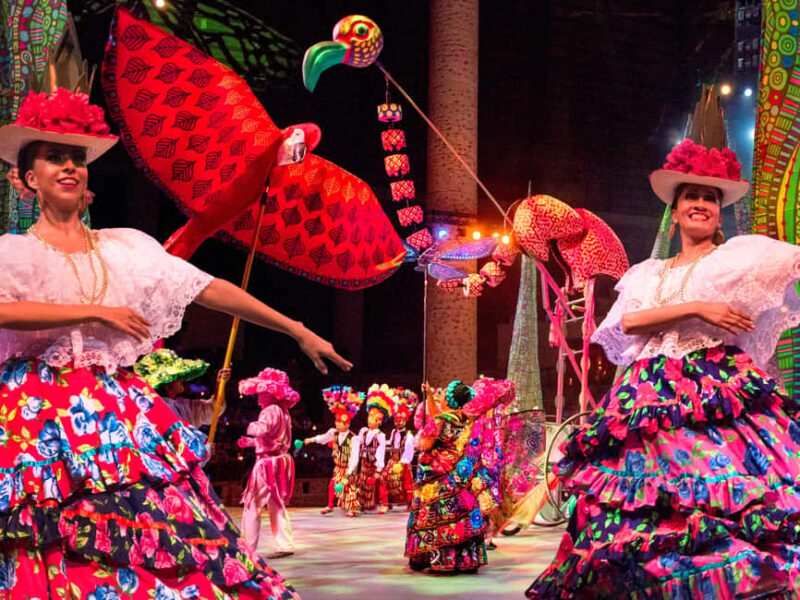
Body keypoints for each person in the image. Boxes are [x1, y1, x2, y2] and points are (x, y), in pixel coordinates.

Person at [0, 87, 351, 598]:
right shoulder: (13, 252)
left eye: (77, 158)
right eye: (55, 157)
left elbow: (209, 287)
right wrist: (94, 311)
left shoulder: (125, 247)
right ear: (30, 178)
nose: (70, 167)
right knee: (46, 529)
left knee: (157, 529)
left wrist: (295, 328)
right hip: (39, 417)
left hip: (115, 411)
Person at [527, 90, 800, 599]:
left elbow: (794, 260)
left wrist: (707, 310)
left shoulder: (736, 258)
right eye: (691, 196)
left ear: (718, 214)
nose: (700, 204)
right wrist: (698, 308)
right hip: (646, 395)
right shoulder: (647, 272)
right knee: (639, 503)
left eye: (710, 199)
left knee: (712, 494)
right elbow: (629, 322)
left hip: (712, 387)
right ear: (674, 213)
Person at [405, 379, 510, 574]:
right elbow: (441, 420)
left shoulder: (440, 422)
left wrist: (423, 442)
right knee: (461, 518)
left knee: (436, 518)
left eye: (444, 395)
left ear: (449, 400)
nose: (441, 398)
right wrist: (429, 396)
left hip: (438, 479)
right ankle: (465, 560)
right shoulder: (467, 421)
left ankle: (440, 560)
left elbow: (425, 443)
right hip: (460, 478)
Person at [237, 368, 299, 559]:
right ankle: (285, 543)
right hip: (280, 461)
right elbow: (274, 439)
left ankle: (247, 545)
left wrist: (250, 427)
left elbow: (261, 429)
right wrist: (251, 443)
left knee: (253, 503)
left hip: (268, 464)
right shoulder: (283, 411)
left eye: (261, 393)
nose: (258, 398)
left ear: (270, 394)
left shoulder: (270, 410)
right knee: (276, 503)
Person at [303, 385, 363, 516]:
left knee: (349, 487)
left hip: (348, 467)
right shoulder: (333, 432)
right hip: (338, 467)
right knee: (332, 485)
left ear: (347, 424)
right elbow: (323, 438)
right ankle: (330, 505)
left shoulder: (354, 438)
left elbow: (354, 458)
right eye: (337, 422)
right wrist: (311, 439)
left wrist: (349, 473)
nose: (338, 425)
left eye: (341, 423)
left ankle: (353, 508)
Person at [134, 347, 223, 428]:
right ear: (166, 383)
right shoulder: (151, 410)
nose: (181, 379)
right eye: (176, 376)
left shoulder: (182, 406)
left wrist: (220, 383)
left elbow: (213, 409)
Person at [354, 384, 396, 514]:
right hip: (365, 464)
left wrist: (378, 469)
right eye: (369, 417)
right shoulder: (363, 431)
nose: (369, 419)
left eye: (372, 418)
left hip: (374, 464)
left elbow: (380, 452)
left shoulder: (380, 436)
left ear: (379, 421)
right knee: (362, 483)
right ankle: (363, 504)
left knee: (380, 482)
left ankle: (384, 504)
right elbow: (358, 444)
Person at [385, 388, 418, 510]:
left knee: (407, 481)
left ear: (405, 421)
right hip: (392, 460)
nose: (398, 423)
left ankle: (410, 503)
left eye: (400, 421)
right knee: (387, 479)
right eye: (396, 421)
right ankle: (388, 502)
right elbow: (390, 442)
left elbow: (409, 449)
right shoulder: (393, 432)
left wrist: (403, 462)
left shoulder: (408, 435)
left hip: (403, 461)